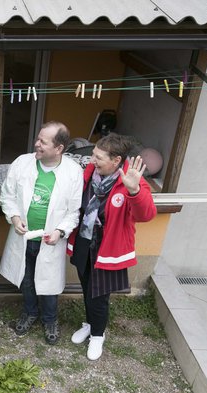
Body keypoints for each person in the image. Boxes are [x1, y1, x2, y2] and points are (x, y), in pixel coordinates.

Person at [67, 133, 156, 360]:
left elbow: (146, 215)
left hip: (108, 248)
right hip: (85, 240)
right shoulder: (90, 173)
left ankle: (98, 335)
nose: (92, 160)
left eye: (98, 157)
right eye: (93, 155)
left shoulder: (131, 180)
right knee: (87, 287)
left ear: (116, 161)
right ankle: (89, 323)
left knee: (100, 294)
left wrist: (134, 191)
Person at [0, 121, 83, 345]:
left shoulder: (73, 172)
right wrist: (15, 217)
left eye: (43, 142)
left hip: (50, 240)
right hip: (24, 237)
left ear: (59, 148)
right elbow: (7, 196)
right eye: (38, 139)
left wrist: (60, 231)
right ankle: (30, 312)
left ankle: (50, 319)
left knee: (48, 282)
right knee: (27, 279)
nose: (36, 144)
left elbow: (74, 212)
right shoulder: (22, 163)